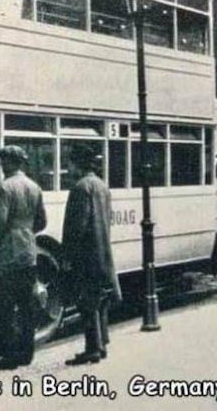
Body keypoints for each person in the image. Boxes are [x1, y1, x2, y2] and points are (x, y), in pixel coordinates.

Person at [0, 145, 47, 369]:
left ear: (14, 163)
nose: (2, 166)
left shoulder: (5, 187)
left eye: (4, 162)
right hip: (29, 251)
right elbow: (42, 222)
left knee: (6, 305)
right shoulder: (34, 186)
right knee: (26, 304)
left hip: (8, 252)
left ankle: (10, 356)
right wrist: (26, 232)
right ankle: (27, 353)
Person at [62, 146, 122, 365]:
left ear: (78, 164)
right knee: (100, 300)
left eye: (70, 163)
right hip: (102, 248)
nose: (68, 168)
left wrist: (68, 253)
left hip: (85, 252)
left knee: (87, 302)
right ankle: (102, 343)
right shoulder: (102, 186)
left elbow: (77, 225)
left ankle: (93, 348)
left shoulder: (80, 187)